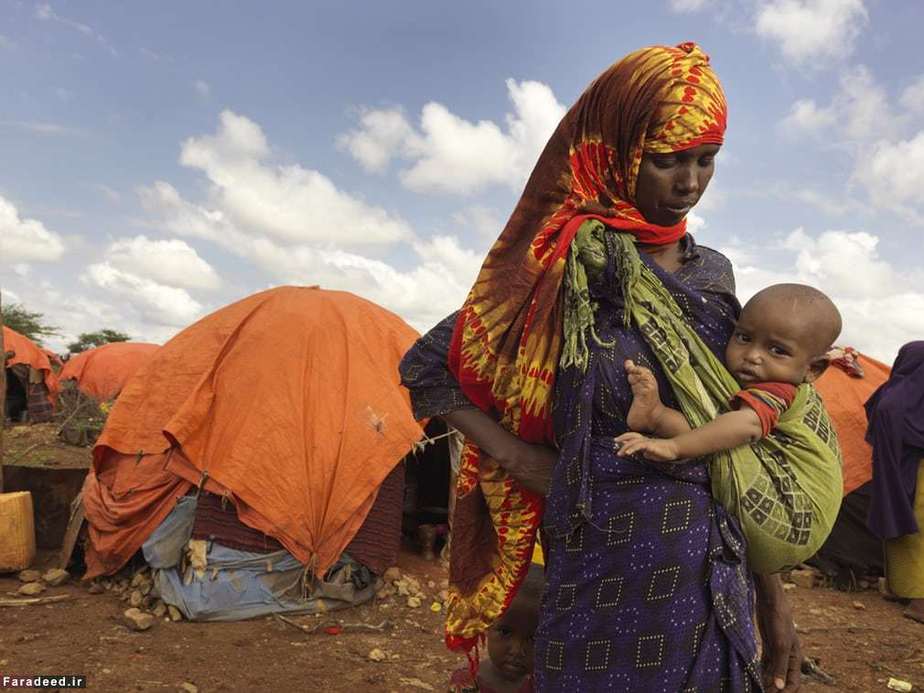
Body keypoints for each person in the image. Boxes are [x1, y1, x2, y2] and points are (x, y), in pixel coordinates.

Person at [401, 42, 804, 691]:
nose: (690, 182)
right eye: (667, 160)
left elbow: (740, 439)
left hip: (707, 576)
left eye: (707, 160)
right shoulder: (557, 271)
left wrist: (774, 598)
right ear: (614, 150)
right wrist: (519, 455)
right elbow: (427, 365)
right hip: (596, 575)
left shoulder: (713, 278)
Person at [616, 283, 842, 462]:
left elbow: (746, 425)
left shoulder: (779, 391)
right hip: (726, 428)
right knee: (712, 424)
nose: (752, 355)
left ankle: (657, 419)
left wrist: (673, 447)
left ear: (813, 369)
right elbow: (710, 425)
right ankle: (655, 416)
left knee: (723, 434)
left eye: (777, 350)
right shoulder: (738, 379)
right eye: (744, 338)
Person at [864, 341, 924, 624]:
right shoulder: (909, 400)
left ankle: (900, 588)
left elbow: (873, 423)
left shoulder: (888, 394)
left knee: (901, 530)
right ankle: (919, 600)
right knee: (916, 532)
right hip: (914, 473)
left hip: (891, 473)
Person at [448, 565, 543, 693]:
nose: (517, 650)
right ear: (487, 625)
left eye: (533, 638)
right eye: (505, 632)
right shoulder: (466, 682)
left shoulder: (545, 685)